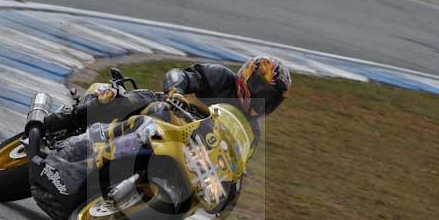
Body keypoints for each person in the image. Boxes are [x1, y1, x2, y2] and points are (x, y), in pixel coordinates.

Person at [37, 56, 291, 148]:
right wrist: (176, 91)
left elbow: (234, 164)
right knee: (138, 100)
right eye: (260, 89)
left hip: (182, 146)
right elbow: (178, 75)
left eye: (270, 98)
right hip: (166, 110)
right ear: (247, 75)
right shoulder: (219, 77)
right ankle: (58, 120)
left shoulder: (251, 131)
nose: (261, 99)